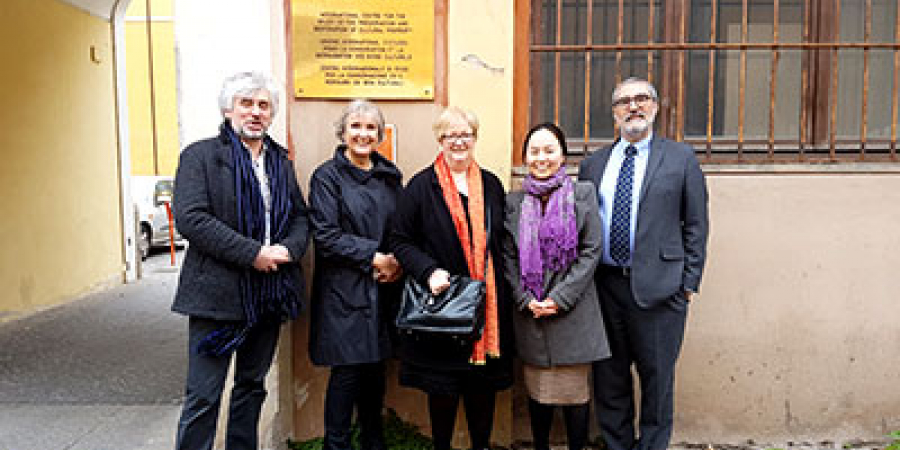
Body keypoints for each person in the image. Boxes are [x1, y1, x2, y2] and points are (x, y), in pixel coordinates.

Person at [171, 71, 310, 450]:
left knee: (251, 387)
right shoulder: (201, 156)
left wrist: (289, 250)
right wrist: (253, 254)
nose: (255, 112)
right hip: (216, 297)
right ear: (228, 109)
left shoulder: (280, 161)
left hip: (267, 295)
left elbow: (300, 216)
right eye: (246, 103)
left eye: (263, 105)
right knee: (203, 395)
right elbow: (192, 219)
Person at [579, 77, 709, 450]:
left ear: (654, 106)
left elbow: (696, 223)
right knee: (610, 378)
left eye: (641, 99)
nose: (633, 107)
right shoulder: (593, 164)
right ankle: (618, 444)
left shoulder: (680, 158)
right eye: (624, 102)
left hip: (661, 287)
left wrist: (688, 281)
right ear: (614, 112)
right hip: (605, 287)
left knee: (657, 379)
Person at [389, 107, 513, 450]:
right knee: (442, 391)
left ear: (475, 138)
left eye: (465, 134)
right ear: (440, 140)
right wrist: (428, 271)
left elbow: (500, 240)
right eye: (450, 135)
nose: (458, 141)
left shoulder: (490, 184)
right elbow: (399, 240)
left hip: (486, 307)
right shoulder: (420, 185)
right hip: (442, 308)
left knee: (482, 389)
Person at [503, 123, 611, 450]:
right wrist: (524, 299)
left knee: (575, 396)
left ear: (563, 154)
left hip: (573, 311)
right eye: (534, 151)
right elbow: (507, 255)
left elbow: (592, 249)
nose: (541, 157)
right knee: (538, 394)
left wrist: (560, 297)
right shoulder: (514, 202)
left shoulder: (583, 194)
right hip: (531, 312)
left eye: (549, 150)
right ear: (524, 157)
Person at [308, 99, 403, 450]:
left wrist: (396, 262)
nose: (363, 134)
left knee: (376, 372)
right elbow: (326, 235)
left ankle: (374, 441)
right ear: (343, 132)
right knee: (347, 373)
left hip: (383, 288)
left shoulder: (390, 177)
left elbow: (401, 229)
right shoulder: (326, 177)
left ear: (380, 135)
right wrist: (376, 258)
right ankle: (337, 444)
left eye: (370, 128)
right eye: (356, 126)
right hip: (344, 291)